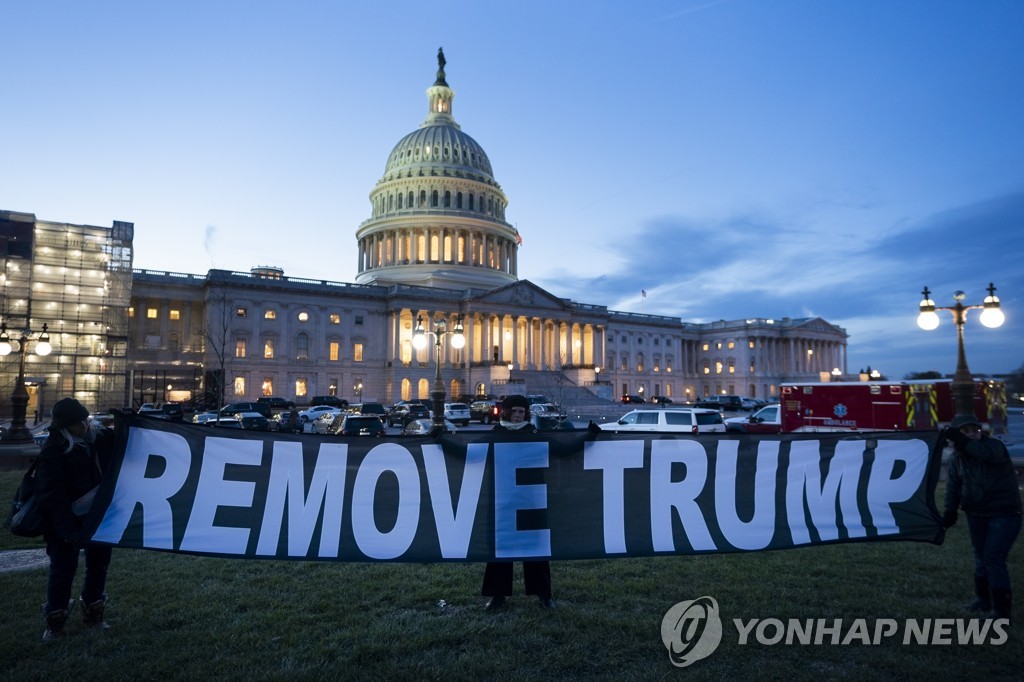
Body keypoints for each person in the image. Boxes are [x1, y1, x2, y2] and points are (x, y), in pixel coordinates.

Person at [35, 398, 118, 641]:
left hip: (97, 517)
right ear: (64, 426)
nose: (83, 425)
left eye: (85, 419)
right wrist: (65, 528)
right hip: (64, 521)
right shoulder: (54, 450)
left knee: (98, 566)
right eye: (77, 422)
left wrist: (127, 420)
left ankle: (94, 612)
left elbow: (125, 439)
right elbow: (51, 494)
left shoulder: (98, 439)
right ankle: (55, 622)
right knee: (62, 570)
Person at [942, 414, 1021, 623]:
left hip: (1004, 513)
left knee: (993, 559)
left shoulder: (993, 447)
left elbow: (985, 455)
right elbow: (953, 486)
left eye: (974, 430)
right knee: (980, 558)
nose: (971, 434)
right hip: (976, 514)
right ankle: (983, 600)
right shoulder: (957, 458)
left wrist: (962, 441)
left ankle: (1002, 612)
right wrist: (950, 511)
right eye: (965, 431)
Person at [481, 394, 555, 610]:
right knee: (501, 547)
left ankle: (544, 594)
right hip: (504, 495)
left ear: (526, 413)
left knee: (536, 549)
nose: (517, 416)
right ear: (505, 412)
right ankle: (497, 594)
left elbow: (559, 448)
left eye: (521, 411)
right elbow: (470, 450)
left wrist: (588, 436)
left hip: (529, 496)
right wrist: (443, 438)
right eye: (513, 411)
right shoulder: (497, 433)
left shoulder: (532, 433)